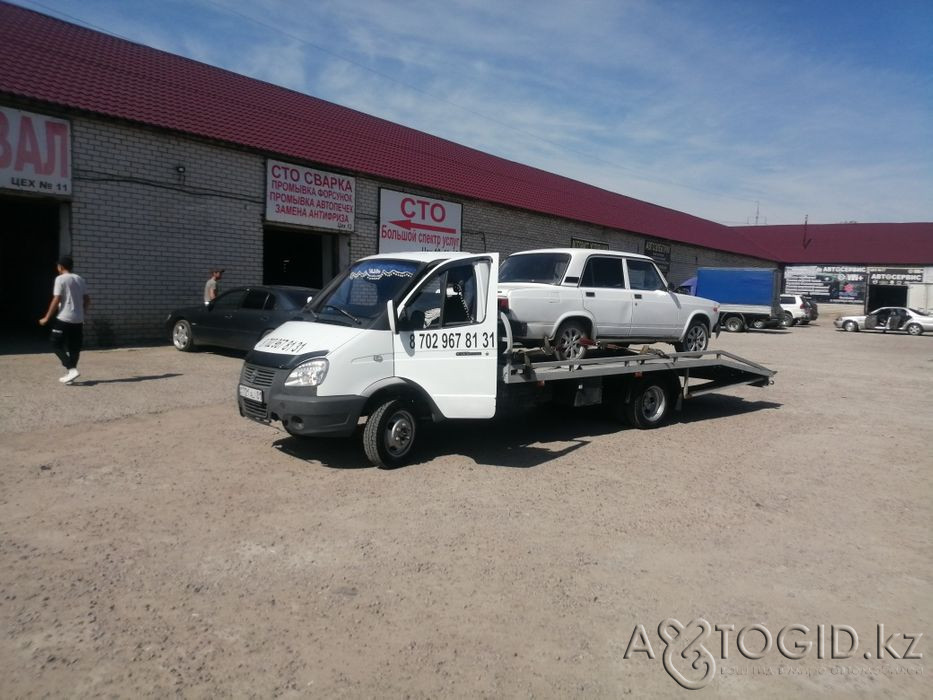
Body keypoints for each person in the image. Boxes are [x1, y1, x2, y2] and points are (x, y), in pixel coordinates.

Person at [39, 255, 90, 384]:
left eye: (58, 266)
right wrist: (82, 313)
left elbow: (56, 299)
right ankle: (70, 374)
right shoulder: (80, 279)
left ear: (60, 267)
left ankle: (71, 369)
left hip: (64, 318)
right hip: (78, 320)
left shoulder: (60, 279)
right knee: (74, 347)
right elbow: (87, 299)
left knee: (55, 343)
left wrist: (46, 317)